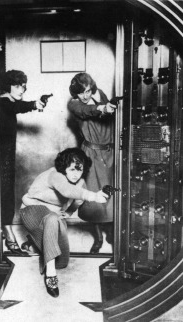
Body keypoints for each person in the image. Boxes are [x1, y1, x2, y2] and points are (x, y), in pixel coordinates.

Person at [19, 148, 108, 298]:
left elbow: (78, 199)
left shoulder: (80, 182)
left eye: (79, 170)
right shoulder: (55, 175)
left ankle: (35, 241)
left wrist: (68, 213)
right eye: (72, 169)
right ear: (64, 167)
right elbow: (67, 191)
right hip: (32, 211)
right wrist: (93, 196)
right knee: (53, 220)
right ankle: (51, 276)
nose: (75, 174)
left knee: (62, 262)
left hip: (52, 217)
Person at [68, 73, 116, 254]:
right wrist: (102, 108)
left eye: (88, 91)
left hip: (110, 153)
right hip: (91, 154)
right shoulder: (73, 104)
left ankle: (112, 232)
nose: (85, 96)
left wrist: (104, 104)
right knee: (94, 197)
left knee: (112, 196)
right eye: (81, 93)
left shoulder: (99, 94)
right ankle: (98, 238)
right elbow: (86, 110)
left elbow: (102, 101)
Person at [0, 69, 44, 255]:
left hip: (6, 155)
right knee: (3, 193)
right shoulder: (2, 102)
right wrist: (34, 104)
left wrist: (34, 104)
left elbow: (16, 106)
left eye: (23, 87)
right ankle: (7, 232)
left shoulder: (8, 102)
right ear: (7, 86)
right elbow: (15, 107)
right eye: (17, 86)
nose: (21, 90)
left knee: (7, 192)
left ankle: (5, 228)